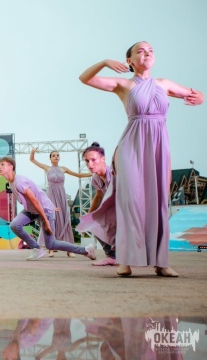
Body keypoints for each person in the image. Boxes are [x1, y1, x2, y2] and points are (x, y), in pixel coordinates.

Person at [79, 41, 203, 277]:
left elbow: (195, 94)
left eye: (150, 50)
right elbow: (85, 78)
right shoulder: (124, 84)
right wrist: (105, 62)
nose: (147, 53)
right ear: (129, 60)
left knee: (158, 203)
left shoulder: (164, 84)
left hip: (158, 146)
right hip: (131, 147)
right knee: (131, 202)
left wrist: (200, 98)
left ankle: (161, 262)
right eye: (141, 51)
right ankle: (125, 260)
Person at [0, 157, 96, 261]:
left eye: (2, 164)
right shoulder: (11, 183)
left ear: (11, 167)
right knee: (14, 225)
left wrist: (46, 220)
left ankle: (85, 250)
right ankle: (36, 248)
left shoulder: (19, 182)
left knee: (51, 244)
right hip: (32, 210)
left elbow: (35, 201)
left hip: (44, 210)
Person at [29, 148, 91, 257]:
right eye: (53, 155)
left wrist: (92, 173)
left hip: (61, 195)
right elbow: (32, 160)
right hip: (51, 196)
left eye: (57, 155)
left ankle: (69, 249)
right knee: (52, 219)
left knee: (64, 219)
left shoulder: (63, 169)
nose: (56, 157)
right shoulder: (47, 168)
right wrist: (33, 151)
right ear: (50, 158)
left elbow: (78, 175)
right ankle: (51, 248)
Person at [77, 142, 118, 266]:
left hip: (125, 209)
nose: (90, 164)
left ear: (103, 159)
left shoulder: (115, 174)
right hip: (113, 210)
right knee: (93, 222)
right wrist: (87, 217)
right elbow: (98, 196)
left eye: (93, 160)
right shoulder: (95, 178)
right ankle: (112, 256)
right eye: (87, 161)